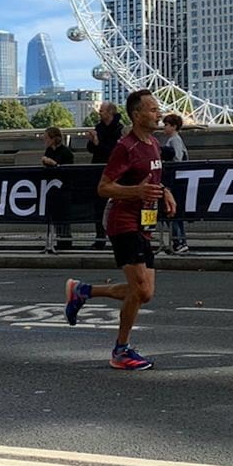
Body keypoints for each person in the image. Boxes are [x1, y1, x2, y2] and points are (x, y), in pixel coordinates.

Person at [64, 88, 175, 370]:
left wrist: (165, 192)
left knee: (145, 293)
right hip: (122, 221)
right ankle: (121, 351)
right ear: (137, 115)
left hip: (144, 222)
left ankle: (83, 291)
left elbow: (151, 181)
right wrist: (136, 191)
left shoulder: (153, 144)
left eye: (158, 109)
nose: (158, 114)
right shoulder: (125, 147)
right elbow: (103, 187)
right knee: (138, 289)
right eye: (152, 110)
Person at [85, 102, 123, 248]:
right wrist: (92, 142)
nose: (99, 113)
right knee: (98, 206)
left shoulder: (118, 129)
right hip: (98, 171)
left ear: (110, 113)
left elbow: (112, 151)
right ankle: (100, 237)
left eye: (102, 111)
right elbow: (92, 149)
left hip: (114, 172)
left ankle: (117, 237)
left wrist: (97, 143)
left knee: (115, 205)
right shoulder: (99, 127)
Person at [159, 112, 190, 254]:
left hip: (174, 180)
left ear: (174, 126)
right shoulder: (174, 140)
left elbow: (177, 158)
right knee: (175, 213)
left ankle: (178, 241)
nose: (164, 127)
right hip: (176, 180)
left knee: (171, 213)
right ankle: (179, 241)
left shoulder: (174, 140)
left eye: (166, 125)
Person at [40, 127, 74, 251]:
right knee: (54, 216)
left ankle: (66, 241)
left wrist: (54, 164)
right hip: (51, 187)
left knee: (63, 216)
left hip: (63, 187)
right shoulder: (49, 150)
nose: (45, 140)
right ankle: (57, 240)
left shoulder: (66, 152)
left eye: (46, 138)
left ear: (54, 139)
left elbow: (68, 169)